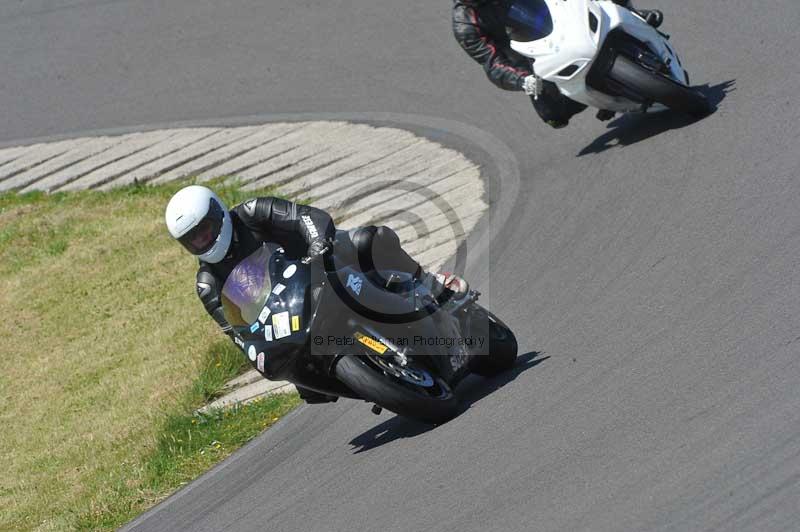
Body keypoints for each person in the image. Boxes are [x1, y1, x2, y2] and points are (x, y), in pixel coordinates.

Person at [164, 185, 468, 404]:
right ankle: (373, 376)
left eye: (204, 229)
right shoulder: (208, 284)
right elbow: (236, 331)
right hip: (290, 310)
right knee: (302, 380)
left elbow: (307, 218)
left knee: (369, 241)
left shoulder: (252, 213)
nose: (202, 240)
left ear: (218, 213)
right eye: (193, 239)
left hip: (324, 266)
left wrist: (318, 245)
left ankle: (431, 283)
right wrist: (257, 351)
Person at [452, 0, 663, 128]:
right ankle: (597, 99)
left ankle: (633, 14)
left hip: (560, 17)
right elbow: (492, 63)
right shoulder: (465, 23)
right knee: (554, 117)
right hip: (532, 55)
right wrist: (522, 79)